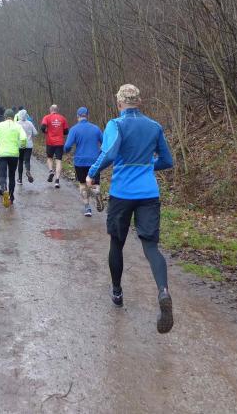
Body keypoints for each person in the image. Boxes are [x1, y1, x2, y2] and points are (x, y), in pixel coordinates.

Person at [86, 84, 175, 333]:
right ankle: (163, 292)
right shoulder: (154, 126)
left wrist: (92, 173)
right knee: (151, 247)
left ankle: (117, 292)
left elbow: (110, 152)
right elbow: (167, 160)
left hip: (122, 194)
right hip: (149, 194)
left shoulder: (116, 124)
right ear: (139, 102)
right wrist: (146, 166)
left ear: (119, 104)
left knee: (117, 243)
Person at [64, 107, 104, 217]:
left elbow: (67, 146)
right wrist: (100, 153)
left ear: (77, 116)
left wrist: (66, 150)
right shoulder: (96, 128)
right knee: (95, 183)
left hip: (80, 161)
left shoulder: (74, 129)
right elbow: (105, 143)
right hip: (94, 161)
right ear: (87, 116)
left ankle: (87, 208)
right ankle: (96, 193)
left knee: (82, 184)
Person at [0, 109, 27, 207]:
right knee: (12, 176)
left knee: (2, 175)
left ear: (5, 117)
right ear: (13, 117)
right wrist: (22, 145)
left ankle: (4, 188)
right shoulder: (18, 126)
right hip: (14, 154)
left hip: (2, 154)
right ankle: (11, 197)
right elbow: (23, 138)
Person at [40, 104, 69, 188]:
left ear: (50, 110)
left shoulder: (46, 117)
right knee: (58, 160)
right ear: (57, 110)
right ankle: (57, 180)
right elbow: (66, 131)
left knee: (49, 158)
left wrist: (46, 132)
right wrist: (60, 132)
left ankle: (50, 171)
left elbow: (42, 127)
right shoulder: (62, 118)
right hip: (60, 143)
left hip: (50, 142)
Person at [15, 109, 37, 184]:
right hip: (29, 145)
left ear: (19, 115)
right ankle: (28, 171)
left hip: (20, 145)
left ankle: (20, 179)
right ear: (26, 115)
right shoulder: (30, 123)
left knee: (20, 161)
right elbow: (35, 133)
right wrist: (30, 135)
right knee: (27, 160)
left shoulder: (17, 124)